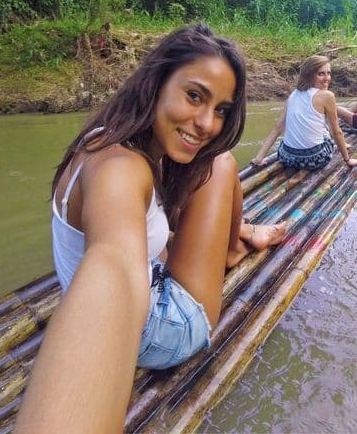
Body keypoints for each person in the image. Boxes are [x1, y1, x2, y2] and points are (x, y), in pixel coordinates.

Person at [16, 24, 286, 432]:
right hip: (157, 329)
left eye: (221, 110)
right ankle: (235, 245)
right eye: (194, 96)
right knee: (221, 161)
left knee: (207, 159)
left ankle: (240, 235)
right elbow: (114, 261)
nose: (206, 123)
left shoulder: (105, 138)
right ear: (157, 82)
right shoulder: (121, 169)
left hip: (141, 283)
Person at [251, 55, 357, 170]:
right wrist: (348, 160)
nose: (327, 78)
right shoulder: (327, 96)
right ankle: (342, 145)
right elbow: (336, 132)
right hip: (314, 159)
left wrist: (259, 158)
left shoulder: (293, 94)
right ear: (309, 75)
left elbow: (278, 128)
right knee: (325, 131)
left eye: (329, 73)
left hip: (287, 157)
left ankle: (339, 144)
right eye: (321, 74)